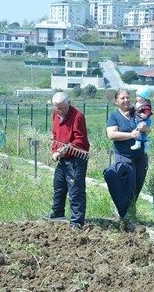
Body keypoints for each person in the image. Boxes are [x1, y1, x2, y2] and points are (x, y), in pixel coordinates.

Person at [44, 92, 90, 229]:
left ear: (69, 103)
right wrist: (55, 151)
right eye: (57, 108)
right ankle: (58, 213)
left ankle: (77, 221)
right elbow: (55, 134)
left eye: (62, 108)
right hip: (62, 156)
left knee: (75, 189)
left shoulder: (78, 117)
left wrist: (65, 149)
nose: (59, 111)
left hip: (77, 157)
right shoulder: (55, 114)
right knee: (59, 185)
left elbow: (80, 140)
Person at [105, 89, 151, 220]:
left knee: (137, 186)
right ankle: (123, 212)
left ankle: (130, 213)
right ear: (116, 101)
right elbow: (111, 134)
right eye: (122, 98)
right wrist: (130, 135)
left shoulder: (135, 112)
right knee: (125, 184)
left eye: (127, 97)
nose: (126, 100)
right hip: (124, 156)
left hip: (140, 157)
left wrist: (145, 129)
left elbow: (148, 130)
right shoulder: (114, 116)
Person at [131, 85, 152, 151]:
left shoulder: (146, 105)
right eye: (137, 96)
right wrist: (129, 112)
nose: (137, 97)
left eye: (139, 96)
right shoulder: (136, 103)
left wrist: (145, 115)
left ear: (144, 98)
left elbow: (148, 112)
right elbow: (133, 109)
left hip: (144, 120)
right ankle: (146, 144)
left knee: (138, 130)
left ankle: (138, 143)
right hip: (139, 120)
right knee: (142, 133)